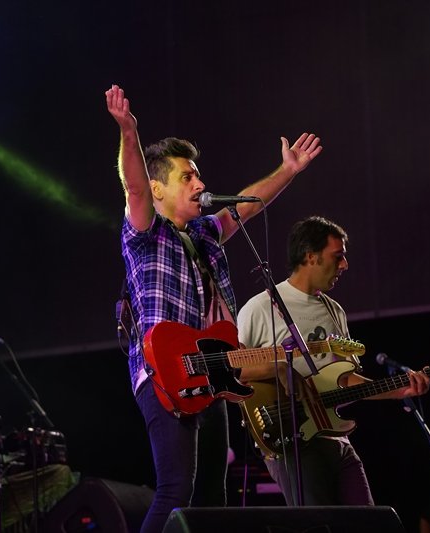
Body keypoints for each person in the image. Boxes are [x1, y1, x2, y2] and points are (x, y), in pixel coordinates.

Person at [106, 84, 322, 533]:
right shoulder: (147, 233)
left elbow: (247, 207)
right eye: (188, 177)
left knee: (212, 498)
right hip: (164, 371)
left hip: (210, 371)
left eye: (198, 176)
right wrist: (128, 132)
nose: (201, 184)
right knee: (175, 490)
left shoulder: (204, 234)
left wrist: (288, 170)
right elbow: (135, 188)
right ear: (159, 187)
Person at [237, 215, 430, 506]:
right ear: (310, 256)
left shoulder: (334, 310)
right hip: (289, 437)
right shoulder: (260, 307)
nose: (345, 265)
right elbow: (234, 369)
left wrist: (399, 390)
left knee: (367, 522)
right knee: (320, 523)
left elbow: (345, 379)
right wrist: (278, 369)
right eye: (337, 256)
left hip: (336, 438)